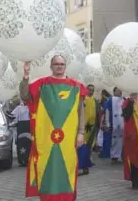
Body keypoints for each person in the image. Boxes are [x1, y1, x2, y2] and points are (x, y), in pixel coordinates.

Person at [20, 55, 87, 201]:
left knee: (67, 168)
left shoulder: (76, 86)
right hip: (46, 139)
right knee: (47, 168)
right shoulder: (42, 84)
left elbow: (80, 111)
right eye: (56, 64)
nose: (59, 66)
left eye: (62, 64)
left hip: (68, 139)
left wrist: (81, 132)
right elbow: (25, 96)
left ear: (65, 66)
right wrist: (25, 77)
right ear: (51, 66)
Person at [77, 84, 100, 175]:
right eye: (89, 90)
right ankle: (78, 166)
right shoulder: (82, 99)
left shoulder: (95, 101)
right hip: (82, 128)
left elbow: (97, 114)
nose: (91, 92)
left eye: (92, 90)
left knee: (88, 148)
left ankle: (86, 166)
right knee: (80, 147)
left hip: (91, 128)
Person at [11, 100, 31, 166]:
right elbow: (13, 117)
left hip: (30, 127)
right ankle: (22, 160)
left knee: (29, 143)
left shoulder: (32, 106)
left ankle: (29, 159)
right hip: (21, 127)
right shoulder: (19, 108)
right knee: (21, 144)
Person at [110, 87, 124, 163]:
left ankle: (119, 155)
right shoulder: (110, 100)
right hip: (114, 123)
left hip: (122, 123)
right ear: (114, 91)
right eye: (118, 90)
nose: (120, 92)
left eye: (120, 90)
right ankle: (113, 156)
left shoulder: (124, 99)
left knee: (121, 140)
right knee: (114, 139)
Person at [98, 89, 112, 158]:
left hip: (106, 121)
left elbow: (104, 112)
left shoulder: (107, 101)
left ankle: (105, 152)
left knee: (104, 137)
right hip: (107, 121)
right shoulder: (109, 100)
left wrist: (103, 123)